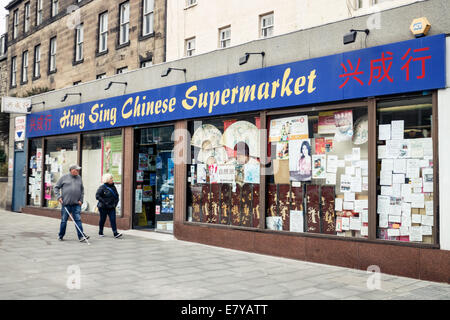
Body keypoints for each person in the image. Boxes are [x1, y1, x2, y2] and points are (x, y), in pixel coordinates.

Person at [54, 164, 90, 242]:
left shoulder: (79, 178)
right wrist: (59, 197)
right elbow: (56, 187)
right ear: (72, 170)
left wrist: (81, 200)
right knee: (64, 220)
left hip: (76, 204)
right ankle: (61, 235)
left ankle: (81, 236)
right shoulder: (64, 177)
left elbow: (82, 190)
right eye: (76, 170)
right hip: (66, 204)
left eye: (78, 170)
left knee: (78, 220)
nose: (78, 171)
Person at [96, 173, 122, 238]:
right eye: (111, 178)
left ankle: (115, 233)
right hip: (103, 207)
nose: (112, 179)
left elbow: (117, 196)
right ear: (107, 179)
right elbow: (97, 196)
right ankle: (100, 231)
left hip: (112, 207)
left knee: (113, 219)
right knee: (103, 219)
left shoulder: (113, 187)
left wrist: (115, 204)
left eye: (112, 178)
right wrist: (105, 202)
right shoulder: (102, 187)